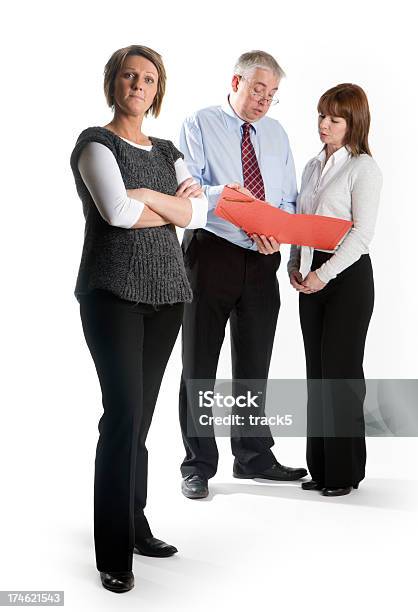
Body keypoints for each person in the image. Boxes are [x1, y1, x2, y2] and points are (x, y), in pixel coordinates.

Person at [70, 45, 207, 593]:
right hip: (113, 295)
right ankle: (112, 552)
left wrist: (149, 194)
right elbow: (116, 213)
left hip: (168, 295)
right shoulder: (94, 144)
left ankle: (135, 522)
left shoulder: (168, 149)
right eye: (128, 75)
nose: (138, 84)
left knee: (141, 419)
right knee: (123, 416)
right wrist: (165, 207)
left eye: (148, 78)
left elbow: (195, 212)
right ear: (114, 83)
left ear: (157, 90)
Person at [178, 50, 307, 500]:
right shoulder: (199, 123)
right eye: (258, 89)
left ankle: (253, 455)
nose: (264, 101)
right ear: (236, 82)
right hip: (211, 253)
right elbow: (189, 188)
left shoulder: (275, 134)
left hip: (261, 260)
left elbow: (288, 199)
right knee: (200, 366)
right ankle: (197, 464)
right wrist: (227, 197)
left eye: (272, 94)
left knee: (254, 365)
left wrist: (278, 231)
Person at [288, 83, 383, 497]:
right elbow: (299, 223)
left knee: (341, 374)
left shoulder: (364, 168)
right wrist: (294, 264)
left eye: (335, 119)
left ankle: (345, 473)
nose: (324, 125)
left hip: (346, 280)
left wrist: (323, 274)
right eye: (321, 116)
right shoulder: (312, 166)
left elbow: (362, 234)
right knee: (317, 374)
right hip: (312, 278)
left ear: (353, 123)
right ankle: (322, 468)